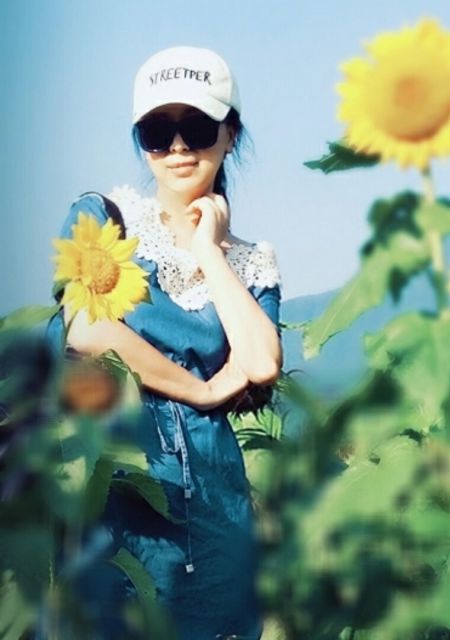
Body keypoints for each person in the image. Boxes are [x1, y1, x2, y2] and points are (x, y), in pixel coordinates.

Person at [47, 45, 283, 639]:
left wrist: (210, 252)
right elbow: (88, 328)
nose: (178, 148)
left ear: (230, 134)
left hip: (216, 508)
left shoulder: (253, 262)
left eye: (196, 128)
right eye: (157, 133)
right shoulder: (103, 215)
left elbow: (260, 363)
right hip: (118, 486)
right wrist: (200, 391)